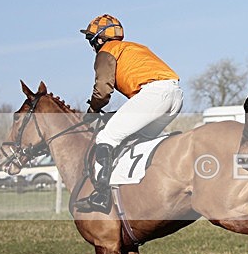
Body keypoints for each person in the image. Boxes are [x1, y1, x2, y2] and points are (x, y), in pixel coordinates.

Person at [74, 14, 183, 213]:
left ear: (99, 39)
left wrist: (93, 110)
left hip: (154, 94)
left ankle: (101, 195)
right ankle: (139, 194)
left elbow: (103, 89)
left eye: (90, 39)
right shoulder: (135, 47)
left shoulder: (106, 51)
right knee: (137, 142)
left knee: (106, 137)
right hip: (175, 96)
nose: (91, 45)